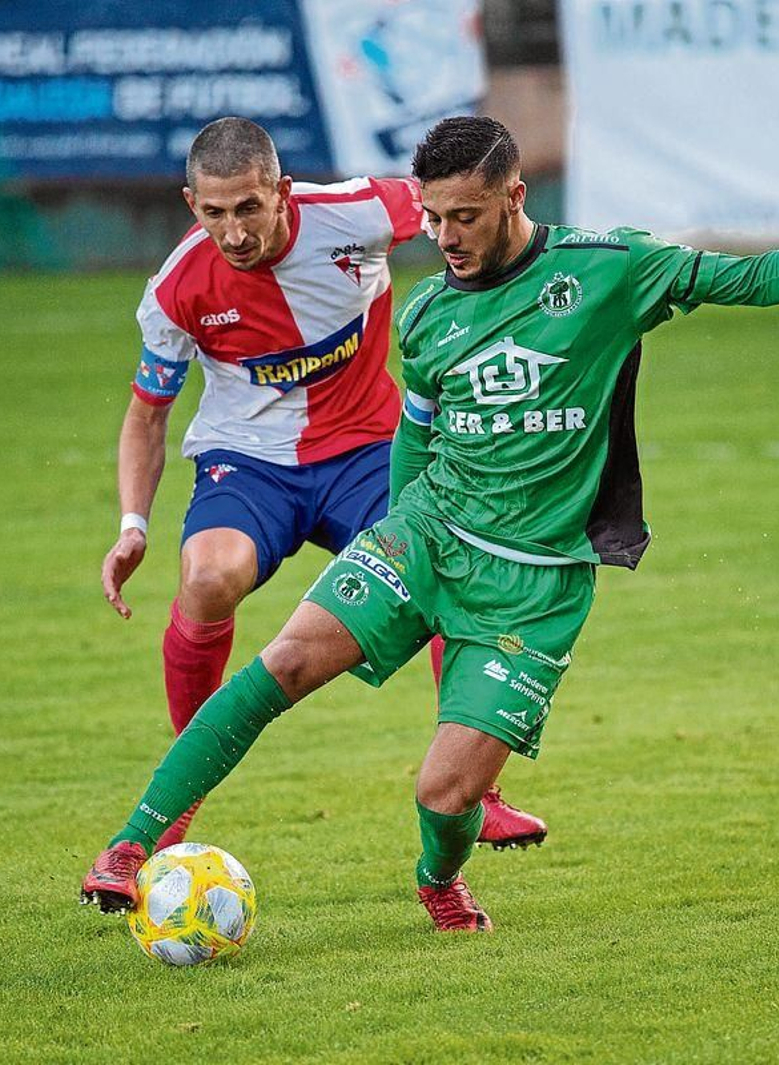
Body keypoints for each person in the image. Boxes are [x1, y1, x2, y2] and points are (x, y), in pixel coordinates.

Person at [82, 116, 779, 931]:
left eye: (464, 216)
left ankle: (439, 879)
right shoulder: (426, 316)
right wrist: (399, 536)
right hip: (427, 536)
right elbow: (413, 441)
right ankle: (131, 842)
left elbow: (741, 279)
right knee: (287, 660)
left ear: (515, 196)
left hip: (535, 582)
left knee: (446, 794)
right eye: (432, 218)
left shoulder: (609, 270)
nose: (445, 237)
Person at [102, 116, 546, 853]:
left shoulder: (361, 212)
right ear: (191, 204)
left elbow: (467, 208)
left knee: (449, 574)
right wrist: (132, 526)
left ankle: (481, 790)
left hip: (369, 447)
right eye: (214, 213)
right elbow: (146, 416)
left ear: (281, 189)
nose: (234, 232)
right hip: (250, 464)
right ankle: (182, 795)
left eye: (249, 207)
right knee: (210, 577)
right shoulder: (177, 287)